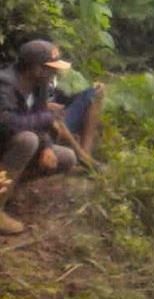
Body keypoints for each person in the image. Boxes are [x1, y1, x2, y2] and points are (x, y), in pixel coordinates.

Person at [0, 40, 78, 234]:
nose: (55, 73)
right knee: (28, 139)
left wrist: (48, 147)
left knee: (67, 158)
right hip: (5, 142)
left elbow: (40, 121)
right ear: (35, 68)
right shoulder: (5, 84)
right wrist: (46, 118)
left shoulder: (39, 86)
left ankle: (8, 187)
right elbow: (7, 123)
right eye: (50, 68)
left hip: (11, 147)